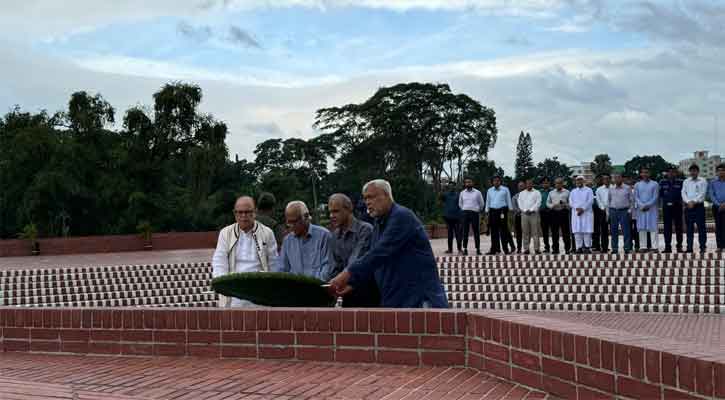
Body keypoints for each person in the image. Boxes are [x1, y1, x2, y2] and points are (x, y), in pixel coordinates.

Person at [329, 179, 448, 308]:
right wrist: (352, 284)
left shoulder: (402, 217)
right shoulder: (379, 223)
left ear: (386, 195)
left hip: (420, 300)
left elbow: (378, 253)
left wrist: (345, 275)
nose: (367, 202)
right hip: (397, 300)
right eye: (365, 198)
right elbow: (374, 262)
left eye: (371, 197)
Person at [212, 196, 279, 307]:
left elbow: (274, 264)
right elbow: (219, 262)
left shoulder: (267, 233)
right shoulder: (225, 233)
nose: (243, 216)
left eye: (248, 212)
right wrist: (224, 286)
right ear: (235, 213)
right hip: (233, 293)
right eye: (240, 212)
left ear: (255, 212)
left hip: (260, 292)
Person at [327, 193, 378, 307]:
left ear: (349, 209)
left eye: (336, 211)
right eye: (330, 212)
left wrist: (338, 281)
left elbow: (356, 261)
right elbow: (335, 267)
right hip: (345, 294)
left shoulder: (365, 230)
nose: (331, 215)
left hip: (368, 293)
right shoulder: (335, 236)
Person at [274, 201, 333, 280]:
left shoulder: (324, 236)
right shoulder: (287, 241)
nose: (290, 226)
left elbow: (328, 268)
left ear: (306, 217)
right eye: (288, 222)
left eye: (294, 222)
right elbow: (282, 269)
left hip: (317, 288)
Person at [682, 164, 707, 255]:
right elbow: (683, 193)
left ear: (698, 171)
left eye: (695, 171)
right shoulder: (686, 181)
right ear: (690, 172)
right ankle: (689, 247)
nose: (693, 172)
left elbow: (702, 193)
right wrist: (688, 202)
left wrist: (694, 202)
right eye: (691, 171)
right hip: (688, 207)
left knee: (701, 228)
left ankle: (703, 247)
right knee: (689, 229)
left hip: (699, 207)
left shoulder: (703, 181)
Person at [485, 176, 514, 255]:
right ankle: (494, 249)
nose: (496, 182)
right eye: (494, 181)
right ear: (492, 182)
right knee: (494, 232)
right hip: (492, 212)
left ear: (500, 182)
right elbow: (488, 201)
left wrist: (510, 209)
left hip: (502, 211)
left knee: (503, 231)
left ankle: (506, 249)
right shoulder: (489, 190)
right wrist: (486, 211)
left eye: (498, 181)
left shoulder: (505, 189)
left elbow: (508, 199)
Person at [634, 168, 660, 253]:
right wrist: (641, 205)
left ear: (650, 173)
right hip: (641, 209)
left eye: (647, 172)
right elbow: (636, 197)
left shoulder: (655, 184)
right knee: (642, 227)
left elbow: (655, 197)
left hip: (651, 209)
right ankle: (643, 246)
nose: (645, 174)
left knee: (653, 227)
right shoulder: (637, 185)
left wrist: (648, 205)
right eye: (643, 173)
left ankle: (655, 247)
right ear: (641, 174)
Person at [660, 167, 684, 253]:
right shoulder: (662, 182)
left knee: (679, 227)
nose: (671, 174)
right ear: (667, 173)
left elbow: (683, 194)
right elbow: (660, 195)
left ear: (676, 173)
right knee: (667, 228)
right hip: (667, 208)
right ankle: (667, 247)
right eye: (669, 172)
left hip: (677, 207)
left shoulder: (681, 182)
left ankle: (679, 246)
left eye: (673, 172)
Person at [458, 177, 485, 256]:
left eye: (469, 182)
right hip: (465, 213)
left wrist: (477, 209)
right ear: (465, 184)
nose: (468, 184)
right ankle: (465, 249)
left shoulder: (477, 192)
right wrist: (464, 209)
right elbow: (460, 204)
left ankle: (478, 249)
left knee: (476, 232)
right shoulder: (462, 193)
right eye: (466, 182)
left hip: (474, 213)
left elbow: (482, 204)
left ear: (472, 183)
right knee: (465, 232)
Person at [609, 174, 633, 254]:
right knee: (613, 230)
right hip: (613, 211)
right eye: (615, 178)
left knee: (626, 230)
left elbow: (632, 200)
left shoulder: (627, 188)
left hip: (624, 211)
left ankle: (627, 248)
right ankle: (614, 248)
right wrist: (608, 212)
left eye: (618, 177)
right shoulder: (611, 188)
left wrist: (630, 211)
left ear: (622, 178)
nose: (617, 179)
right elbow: (608, 200)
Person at [570, 176, 594, 253]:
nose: (579, 182)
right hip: (576, 213)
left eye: (580, 180)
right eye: (577, 181)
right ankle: (579, 247)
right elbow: (571, 202)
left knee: (587, 230)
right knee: (577, 231)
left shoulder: (589, 190)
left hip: (586, 213)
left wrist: (583, 208)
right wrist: (577, 208)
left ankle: (587, 247)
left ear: (583, 181)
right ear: (575, 182)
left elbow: (590, 201)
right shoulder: (573, 191)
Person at [547, 177, 571, 254]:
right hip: (554, 213)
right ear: (554, 184)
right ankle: (555, 249)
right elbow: (547, 203)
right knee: (554, 232)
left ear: (562, 183)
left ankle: (567, 249)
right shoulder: (551, 193)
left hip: (564, 212)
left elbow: (571, 203)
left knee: (565, 232)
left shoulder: (567, 192)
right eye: (557, 183)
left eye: (560, 183)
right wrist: (552, 205)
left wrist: (565, 204)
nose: (558, 184)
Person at [518, 178, 542, 254]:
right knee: (525, 232)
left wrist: (531, 210)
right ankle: (526, 249)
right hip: (524, 214)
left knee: (535, 232)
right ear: (525, 184)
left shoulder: (537, 192)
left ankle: (537, 248)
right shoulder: (521, 193)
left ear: (532, 184)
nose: (529, 185)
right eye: (528, 183)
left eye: (531, 183)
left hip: (534, 214)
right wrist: (525, 210)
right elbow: (520, 203)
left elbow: (538, 202)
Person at [440, 182, 463, 254]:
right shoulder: (446, 195)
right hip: (448, 217)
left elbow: (461, 204)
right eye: (450, 186)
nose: (451, 187)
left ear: (455, 187)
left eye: (453, 186)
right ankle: (450, 249)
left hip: (457, 217)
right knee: (450, 234)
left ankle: (459, 249)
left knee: (457, 234)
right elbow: (440, 197)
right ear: (449, 187)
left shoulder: (458, 195)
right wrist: (442, 187)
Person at [708, 164, 725, 252]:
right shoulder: (712, 182)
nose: (721, 172)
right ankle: (719, 246)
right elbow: (711, 195)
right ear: (716, 172)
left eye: (723, 170)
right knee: (718, 227)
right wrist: (719, 204)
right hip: (717, 207)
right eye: (719, 170)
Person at [539, 177, 553, 253]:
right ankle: (546, 247)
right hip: (543, 213)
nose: (545, 184)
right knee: (545, 231)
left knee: (554, 231)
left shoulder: (553, 191)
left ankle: (555, 247)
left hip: (552, 212)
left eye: (547, 182)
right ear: (541, 184)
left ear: (549, 183)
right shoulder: (539, 192)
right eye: (544, 183)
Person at [511, 181, 525, 253]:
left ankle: (526, 248)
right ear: (518, 187)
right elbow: (514, 207)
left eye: (522, 186)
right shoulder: (514, 197)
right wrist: (522, 210)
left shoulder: (529, 195)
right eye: (520, 186)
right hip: (518, 216)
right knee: (518, 233)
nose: (521, 187)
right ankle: (519, 248)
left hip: (526, 216)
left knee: (526, 233)